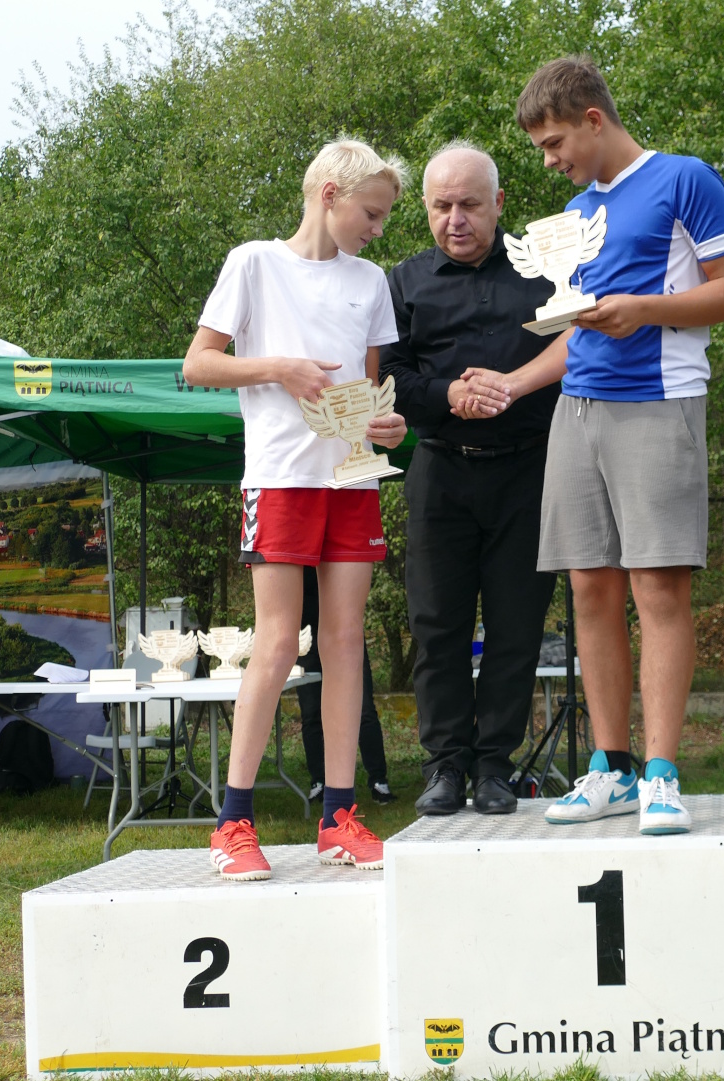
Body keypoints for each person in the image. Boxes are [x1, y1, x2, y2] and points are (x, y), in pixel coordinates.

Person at [461, 55, 724, 834]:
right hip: (577, 410)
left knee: (657, 591)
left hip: (658, 403)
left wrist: (644, 309)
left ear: (594, 119)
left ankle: (662, 773)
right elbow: (580, 327)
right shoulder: (574, 211)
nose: (549, 161)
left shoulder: (685, 178)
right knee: (589, 589)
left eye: (555, 143)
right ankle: (613, 768)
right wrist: (515, 382)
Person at [182, 139, 409, 880]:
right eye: (371, 212)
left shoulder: (371, 281)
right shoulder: (254, 262)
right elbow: (198, 363)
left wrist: (386, 424)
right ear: (330, 195)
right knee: (278, 642)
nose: (378, 228)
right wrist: (279, 367)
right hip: (281, 477)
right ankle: (232, 822)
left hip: (352, 479)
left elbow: (369, 393)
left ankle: (339, 817)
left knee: (345, 641)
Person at [380, 143, 560, 817]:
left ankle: (495, 768)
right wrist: (447, 395)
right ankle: (444, 766)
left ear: (499, 203)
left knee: (517, 626)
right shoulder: (402, 283)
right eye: (441, 206)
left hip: (529, 468)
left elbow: (578, 349)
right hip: (440, 468)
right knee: (437, 626)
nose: (455, 220)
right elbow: (386, 374)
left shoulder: (545, 272)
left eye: (469, 205)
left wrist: (512, 388)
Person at [296, 567, 391, 805]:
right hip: (306, 637)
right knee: (311, 712)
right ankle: (319, 782)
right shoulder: (299, 554)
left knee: (363, 708)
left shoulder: (339, 552)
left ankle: (379, 780)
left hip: (344, 634)